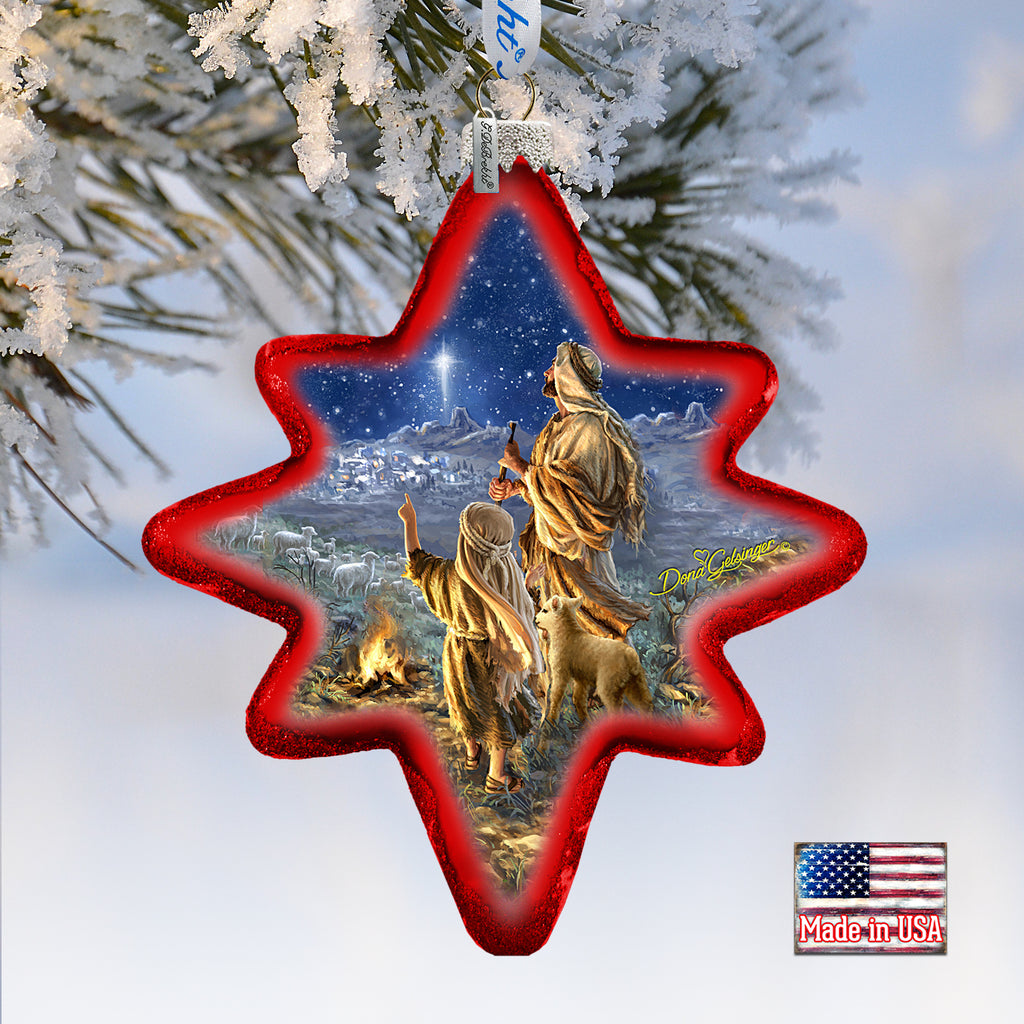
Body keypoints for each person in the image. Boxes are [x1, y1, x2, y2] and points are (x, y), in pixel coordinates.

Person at [488, 341, 651, 640]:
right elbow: (551, 494)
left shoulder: (590, 429)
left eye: (554, 366)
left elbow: (574, 497)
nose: (546, 371)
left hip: (580, 559)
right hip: (550, 555)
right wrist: (517, 488)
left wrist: (520, 466)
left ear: (569, 376)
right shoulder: (556, 426)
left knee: (592, 644)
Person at [397, 495, 543, 793]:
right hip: (494, 660)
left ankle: (472, 753)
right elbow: (520, 611)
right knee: (498, 709)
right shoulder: (506, 580)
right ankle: (496, 774)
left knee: (464, 702)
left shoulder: (447, 577)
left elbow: (417, 562)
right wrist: (527, 584)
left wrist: (410, 522)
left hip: (457, 652)